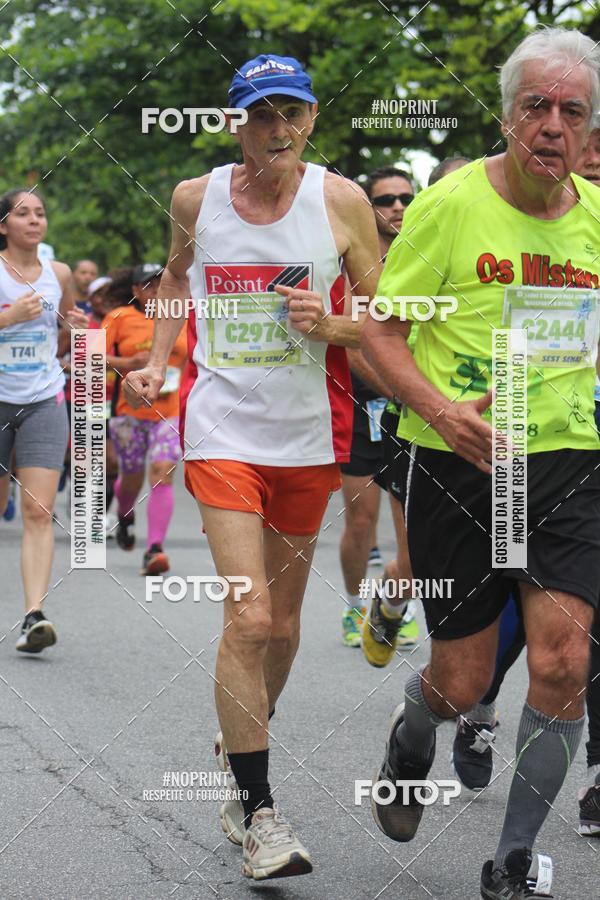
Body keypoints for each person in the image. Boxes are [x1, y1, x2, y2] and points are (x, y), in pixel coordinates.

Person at [124, 53, 380, 881]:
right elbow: (173, 274)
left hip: (307, 439)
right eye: (260, 114)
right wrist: (161, 360)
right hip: (222, 432)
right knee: (250, 619)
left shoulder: (340, 202)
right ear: (236, 120)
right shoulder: (196, 199)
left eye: (292, 114)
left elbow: (383, 317)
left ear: (311, 119)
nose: (277, 129)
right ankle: (263, 815)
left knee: (288, 625)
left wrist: (331, 326)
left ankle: (239, 752)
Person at [362, 27, 600, 898]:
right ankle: (416, 726)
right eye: (535, 106)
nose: (551, 125)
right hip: (462, 460)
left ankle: (511, 860)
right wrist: (438, 410)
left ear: (589, 130)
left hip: (571, 460)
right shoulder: (451, 206)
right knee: (463, 682)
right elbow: (380, 333)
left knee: (564, 659)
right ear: (506, 117)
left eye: (571, 111)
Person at [451, 118, 600, 835]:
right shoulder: (492, 215)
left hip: (587, 450)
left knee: (576, 637)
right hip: (522, 439)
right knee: (527, 598)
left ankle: (592, 775)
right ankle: (476, 703)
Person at [0, 187, 87, 652]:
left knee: (38, 510)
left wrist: (74, 330)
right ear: (3, 226)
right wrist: (8, 317)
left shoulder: (59, 273)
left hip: (44, 399)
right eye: (22, 213)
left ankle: (33, 614)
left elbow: (67, 327)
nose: (35, 220)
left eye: (41, 212)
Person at [340, 166, 418, 650]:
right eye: (386, 199)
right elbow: (352, 347)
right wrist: (397, 389)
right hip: (362, 408)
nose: (397, 207)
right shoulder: (355, 262)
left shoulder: (425, 258)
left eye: (405, 198)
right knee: (360, 521)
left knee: (411, 530)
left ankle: (391, 603)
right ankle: (353, 608)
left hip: (412, 410)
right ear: (368, 208)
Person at [102, 264, 187, 575]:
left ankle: (154, 550)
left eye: (160, 284)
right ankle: (125, 514)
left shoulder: (184, 316)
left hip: (171, 411)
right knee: (132, 475)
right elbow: (85, 356)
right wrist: (129, 362)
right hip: (130, 413)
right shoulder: (119, 319)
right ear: (136, 291)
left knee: (163, 471)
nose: (155, 291)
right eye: (148, 286)